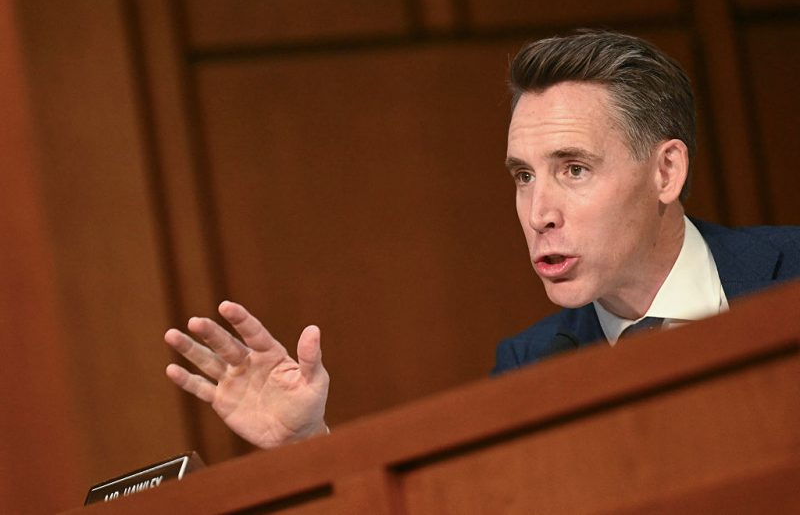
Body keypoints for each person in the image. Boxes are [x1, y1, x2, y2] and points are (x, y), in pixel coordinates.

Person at [164, 30, 800, 450]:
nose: (538, 212)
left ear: (666, 172)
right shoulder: (526, 366)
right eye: (523, 176)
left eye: (573, 169)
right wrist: (311, 446)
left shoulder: (790, 272)